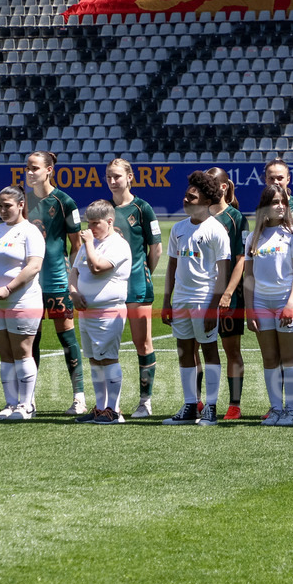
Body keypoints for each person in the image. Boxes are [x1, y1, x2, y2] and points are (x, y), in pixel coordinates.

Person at [94, 158, 162, 421]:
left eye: (117, 176)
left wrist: (143, 273)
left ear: (130, 177)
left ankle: (145, 402)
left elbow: (155, 249)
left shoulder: (142, 208)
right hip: (109, 290)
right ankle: (109, 405)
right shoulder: (104, 208)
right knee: (106, 347)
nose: (113, 181)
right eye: (109, 176)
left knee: (142, 344)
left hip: (136, 286)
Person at [161, 171, 230, 425]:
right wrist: (167, 301)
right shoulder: (178, 228)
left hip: (204, 299)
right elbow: (171, 267)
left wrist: (214, 306)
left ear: (205, 199)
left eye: (192, 196)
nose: (186, 199)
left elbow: (223, 271)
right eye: (186, 195)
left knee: (210, 350)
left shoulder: (215, 230)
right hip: (180, 299)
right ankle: (190, 405)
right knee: (184, 351)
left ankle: (210, 407)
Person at [24, 150, 86, 415]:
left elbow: (76, 245)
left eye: (34, 168)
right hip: (29, 284)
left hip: (57, 281)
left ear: (48, 170)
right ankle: (29, 399)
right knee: (31, 340)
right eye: (27, 168)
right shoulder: (22, 201)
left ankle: (79, 396)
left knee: (67, 337)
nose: (29, 172)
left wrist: (72, 276)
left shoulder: (65, 202)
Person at [0, 185, 45, 422]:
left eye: (8, 206)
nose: (3, 210)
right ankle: (10, 403)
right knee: (5, 354)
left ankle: (26, 406)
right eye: (0, 206)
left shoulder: (30, 232)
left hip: (23, 300)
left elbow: (34, 266)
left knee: (23, 352)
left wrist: (8, 288)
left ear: (21, 205)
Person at [245, 184, 293, 426]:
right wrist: (250, 310)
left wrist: (291, 303)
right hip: (260, 303)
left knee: (289, 358)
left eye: (283, 202)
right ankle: (276, 409)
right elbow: (248, 278)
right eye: (274, 202)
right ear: (264, 207)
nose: (280, 206)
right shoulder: (253, 237)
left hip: (285, 302)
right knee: (269, 358)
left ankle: (291, 410)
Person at [69, 200, 132, 425]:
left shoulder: (118, 244)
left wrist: (87, 243)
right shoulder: (92, 242)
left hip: (108, 311)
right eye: (89, 223)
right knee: (94, 360)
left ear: (110, 221)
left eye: (96, 223)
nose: (91, 228)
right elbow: (75, 271)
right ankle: (99, 408)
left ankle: (113, 411)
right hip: (87, 312)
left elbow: (96, 268)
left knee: (108, 358)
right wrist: (74, 293)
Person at [264, 158, 293, 417]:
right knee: (274, 352)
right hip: (271, 289)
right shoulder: (264, 208)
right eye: (271, 177)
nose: (276, 182)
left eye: (280, 177)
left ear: (288, 179)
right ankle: (277, 405)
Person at [207, 166, 248, 420]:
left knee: (231, 348)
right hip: (202, 292)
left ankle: (234, 404)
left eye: (210, 184)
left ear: (223, 187)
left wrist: (228, 292)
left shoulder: (236, 218)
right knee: (202, 347)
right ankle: (204, 402)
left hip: (229, 295)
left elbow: (241, 259)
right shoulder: (199, 216)